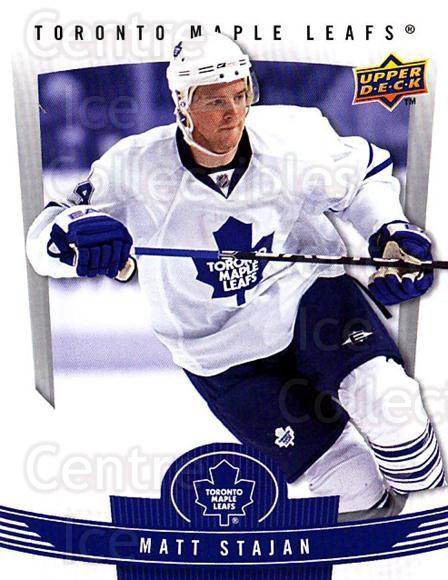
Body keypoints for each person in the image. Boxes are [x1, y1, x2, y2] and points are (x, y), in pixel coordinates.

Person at [26, 33, 445, 518]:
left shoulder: (293, 135)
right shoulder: (134, 167)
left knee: (388, 402)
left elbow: (363, 177)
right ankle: (385, 544)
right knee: (348, 484)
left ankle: (434, 513)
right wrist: (70, 237)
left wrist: (390, 232)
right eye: (214, 101)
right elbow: (44, 235)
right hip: (218, 354)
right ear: (182, 106)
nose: (233, 113)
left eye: (240, 95)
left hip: (306, 298)